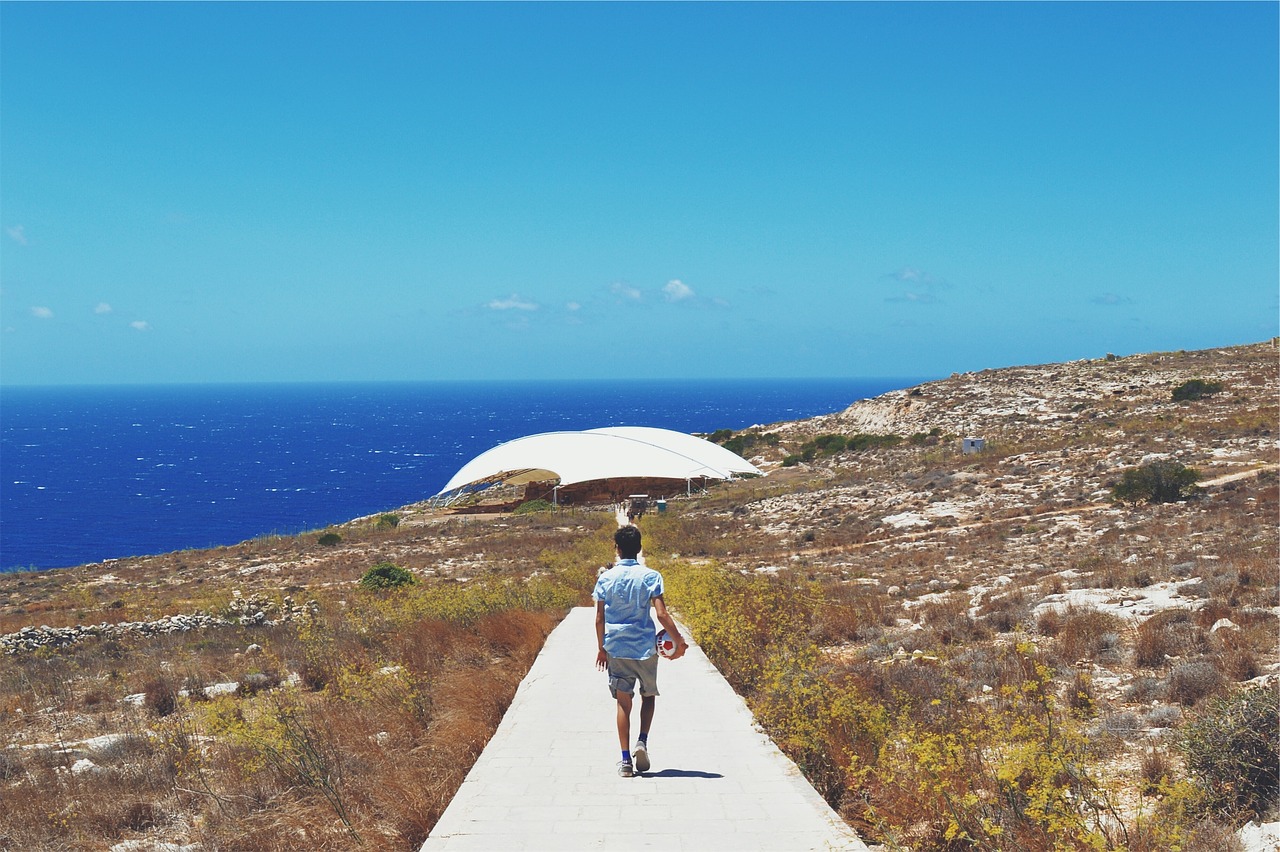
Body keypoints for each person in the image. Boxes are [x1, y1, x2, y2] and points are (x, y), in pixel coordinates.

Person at [593, 524, 687, 777]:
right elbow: (661, 614)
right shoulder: (651, 576)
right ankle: (642, 741)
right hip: (645, 647)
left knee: (623, 703)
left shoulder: (605, 578)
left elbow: (599, 618)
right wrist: (679, 641)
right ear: (639, 548)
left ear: (617, 548)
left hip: (617, 647)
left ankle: (625, 762)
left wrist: (601, 649)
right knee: (648, 696)